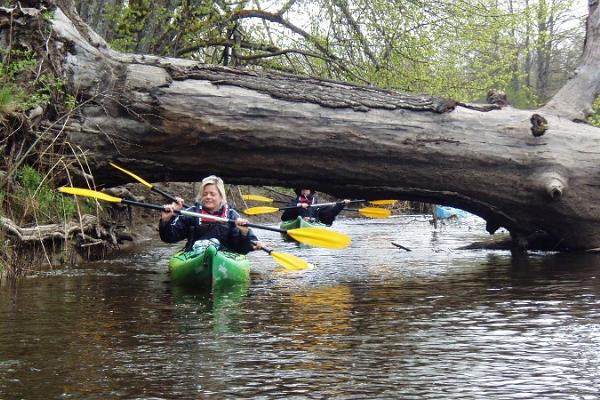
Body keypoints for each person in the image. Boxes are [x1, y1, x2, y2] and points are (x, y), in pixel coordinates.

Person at [159, 175, 263, 254]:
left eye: (212, 194)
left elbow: (242, 249)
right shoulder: (191, 213)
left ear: (221, 196)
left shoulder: (232, 216)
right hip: (195, 255)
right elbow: (169, 238)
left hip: (225, 257)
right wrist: (166, 221)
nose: (208, 197)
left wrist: (244, 234)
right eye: (205, 194)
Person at [281, 188, 350, 226]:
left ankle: (309, 220)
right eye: (303, 190)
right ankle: (304, 220)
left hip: (312, 221)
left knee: (327, 211)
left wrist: (341, 204)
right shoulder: (295, 201)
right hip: (296, 220)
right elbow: (288, 209)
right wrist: (299, 205)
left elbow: (330, 211)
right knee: (294, 208)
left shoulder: (316, 203)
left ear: (310, 191)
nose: (304, 191)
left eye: (306, 189)